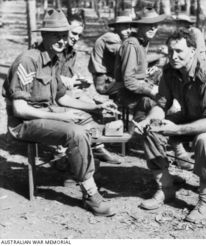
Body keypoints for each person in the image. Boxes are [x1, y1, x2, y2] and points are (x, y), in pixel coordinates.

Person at [2, 9, 117, 217]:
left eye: (64, 35)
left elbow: (62, 97)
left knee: (90, 123)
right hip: (24, 123)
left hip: (46, 113)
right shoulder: (28, 60)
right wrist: (62, 117)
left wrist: (95, 108)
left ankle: (74, 170)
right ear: (43, 35)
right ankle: (90, 194)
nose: (62, 40)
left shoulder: (55, 60)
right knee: (76, 132)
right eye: (56, 35)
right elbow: (20, 109)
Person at [136, 30, 206, 223]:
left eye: (179, 51)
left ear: (192, 51)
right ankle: (166, 188)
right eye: (170, 51)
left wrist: (176, 130)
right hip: (192, 115)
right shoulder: (170, 71)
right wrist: (149, 120)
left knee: (204, 140)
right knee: (151, 130)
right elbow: (161, 104)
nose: (173, 56)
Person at [57, 12, 122, 164]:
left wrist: (78, 80)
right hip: (53, 96)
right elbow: (44, 77)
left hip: (67, 92)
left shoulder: (70, 51)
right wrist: (64, 80)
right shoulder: (53, 47)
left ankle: (95, 146)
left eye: (79, 35)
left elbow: (67, 75)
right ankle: (61, 153)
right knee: (85, 110)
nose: (76, 38)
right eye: (73, 33)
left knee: (96, 105)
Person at [114, 7, 167, 122]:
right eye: (149, 24)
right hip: (128, 95)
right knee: (165, 105)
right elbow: (129, 81)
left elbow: (140, 67)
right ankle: (137, 132)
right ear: (140, 26)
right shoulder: (132, 44)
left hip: (138, 90)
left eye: (156, 24)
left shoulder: (143, 42)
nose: (153, 28)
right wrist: (151, 90)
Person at [88, 10, 132, 100]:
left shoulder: (116, 38)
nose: (129, 31)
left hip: (109, 78)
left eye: (130, 27)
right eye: (125, 27)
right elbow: (126, 54)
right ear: (117, 26)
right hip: (103, 82)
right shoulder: (111, 37)